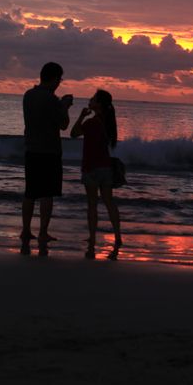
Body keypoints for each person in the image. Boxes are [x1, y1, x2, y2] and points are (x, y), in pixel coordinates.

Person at [22, 62, 74, 255]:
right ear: (54, 78)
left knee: (30, 193)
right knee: (47, 194)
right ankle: (43, 232)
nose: (59, 83)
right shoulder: (51, 100)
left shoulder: (28, 95)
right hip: (49, 151)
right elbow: (63, 125)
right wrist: (65, 106)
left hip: (31, 149)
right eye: (59, 79)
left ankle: (25, 230)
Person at [70, 89, 122, 258]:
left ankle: (92, 238)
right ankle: (118, 236)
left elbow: (73, 133)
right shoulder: (109, 122)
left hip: (91, 167)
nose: (90, 100)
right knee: (109, 203)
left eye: (92, 99)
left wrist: (81, 116)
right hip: (106, 167)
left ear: (98, 104)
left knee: (92, 204)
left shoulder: (92, 122)